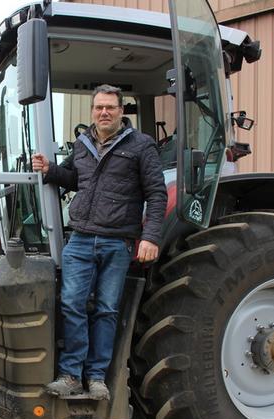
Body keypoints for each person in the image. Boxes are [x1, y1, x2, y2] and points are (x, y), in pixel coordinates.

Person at [32, 84, 167, 400]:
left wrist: (150, 236)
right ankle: (70, 376)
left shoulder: (140, 146)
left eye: (110, 107)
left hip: (117, 242)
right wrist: (50, 170)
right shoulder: (82, 145)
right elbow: (73, 180)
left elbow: (156, 194)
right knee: (71, 304)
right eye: (99, 108)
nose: (104, 112)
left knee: (106, 309)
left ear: (122, 111)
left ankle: (96, 378)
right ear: (92, 111)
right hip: (80, 238)